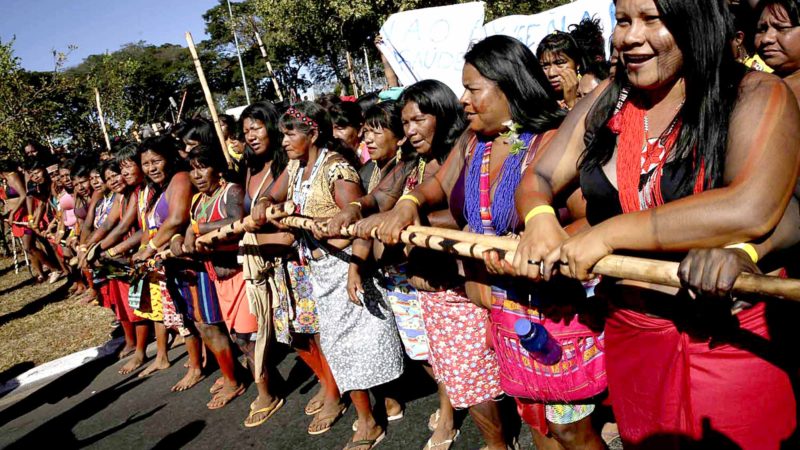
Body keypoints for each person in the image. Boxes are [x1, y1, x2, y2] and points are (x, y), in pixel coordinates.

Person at [508, 1, 798, 448]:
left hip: (730, 344)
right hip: (632, 334)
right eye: (623, 21)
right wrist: (541, 217)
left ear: (696, 19)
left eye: (651, 19)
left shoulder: (756, 94)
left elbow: (751, 207)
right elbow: (541, 177)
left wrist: (606, 235)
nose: (629, 37)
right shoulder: (609, 98)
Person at [258, 101, 404, 450]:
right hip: (318, 268)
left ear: (313, 133)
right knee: (343, 346)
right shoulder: (296, 167)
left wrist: (354, 266)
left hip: (346, 264)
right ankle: (382, 404)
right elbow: (270, 194)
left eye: (290, 133)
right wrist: (268, 206)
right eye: (282, 134)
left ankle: (368, 422)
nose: (284, 141)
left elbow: (357, 226)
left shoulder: (337, 169)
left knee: (358, 343)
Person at [334, 79, 470, 449]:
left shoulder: (457, 153)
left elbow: (461, 216)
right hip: (413, 278)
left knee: (452, 354)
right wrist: (357, 208)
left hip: (448, 277)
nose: (409, 130)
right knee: (426, 352)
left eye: (418, 120)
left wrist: (402, 220)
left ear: (441, 115)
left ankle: (450, 414)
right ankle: (452, 403)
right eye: (406, 122)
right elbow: (382, 195)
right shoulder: (412, 159)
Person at [170, 144, 252, 412]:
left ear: (218, 167)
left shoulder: (232, 191)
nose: (197, 175)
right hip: (215, 274)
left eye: (202, 167)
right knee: (229, 333)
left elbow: (235, 220)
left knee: (246, 337)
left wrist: (196, 229)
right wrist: (177, 237)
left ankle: (261, 387)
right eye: (192, 169)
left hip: (239, 272)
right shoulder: (199, 200)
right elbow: (186, 228)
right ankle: (247, 379)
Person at [131, 136, 204, 392]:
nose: (151, 168)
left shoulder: (181, 178)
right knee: (184, 316)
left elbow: (176, 219)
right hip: (168, 263)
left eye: (156, 161)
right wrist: (145, 249)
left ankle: (200, 367)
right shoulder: (159, 189)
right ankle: (199, 364)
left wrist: (149, 249)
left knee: (198, 317)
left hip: (188, 261)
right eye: (146, 163)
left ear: (169, 159)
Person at [537, 31, 589, 110]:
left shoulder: (591, 93)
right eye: (545, 66)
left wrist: (572, 103)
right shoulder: (537, 104)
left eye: (559, 63)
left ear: (577, 64)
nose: (551, 73)